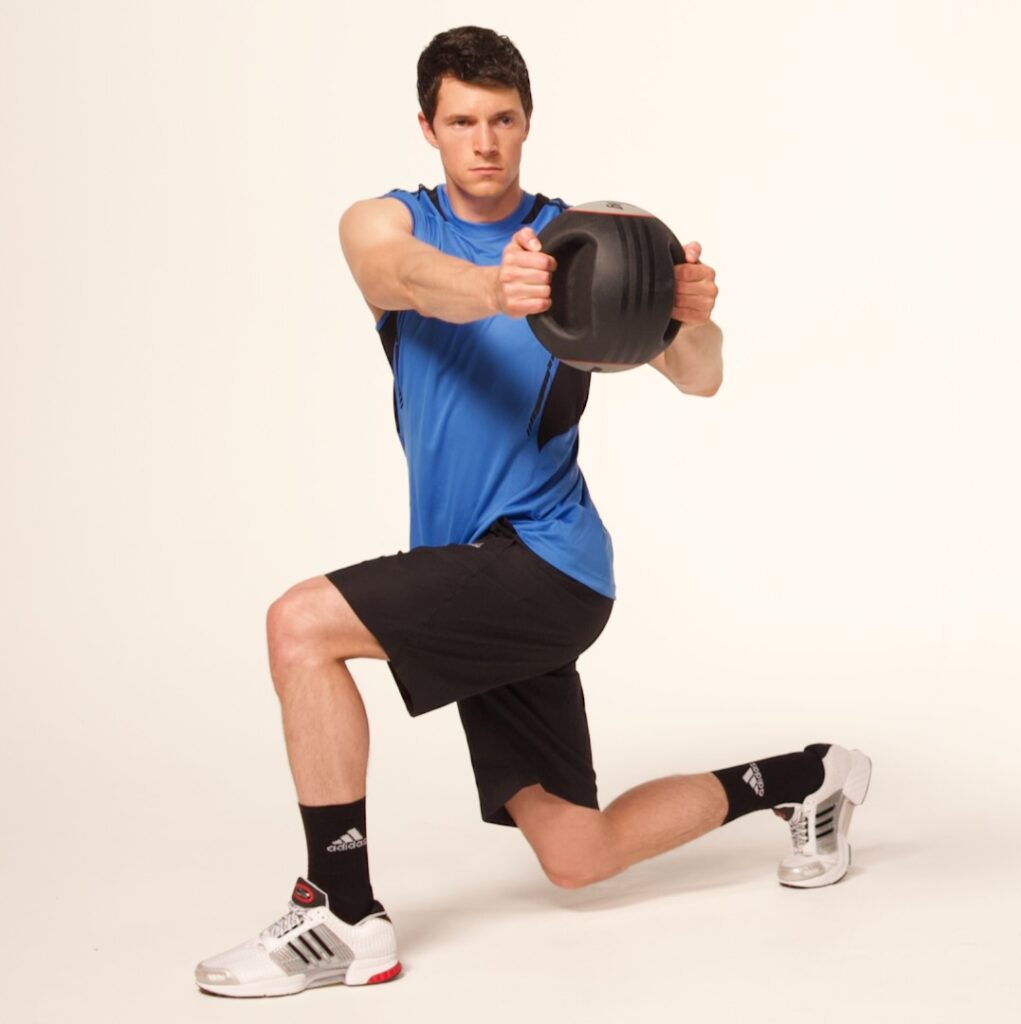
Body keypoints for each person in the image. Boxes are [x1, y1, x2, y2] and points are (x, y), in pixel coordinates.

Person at [195, 25, 871, 998]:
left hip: (547, 563)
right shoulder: (389, 223)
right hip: (471, 570)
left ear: (526, 123)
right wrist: (491, 288)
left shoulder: (586, 235)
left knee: (300, 624)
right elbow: (399, 277)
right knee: (578, 854)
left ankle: (338, 910)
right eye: (461, 120)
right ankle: (809, 775)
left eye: (501, 119)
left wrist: (692, 316)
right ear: (427, 126)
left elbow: (700, 378)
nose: (482, 140)